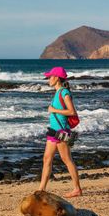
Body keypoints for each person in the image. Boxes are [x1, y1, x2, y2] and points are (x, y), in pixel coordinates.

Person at [38, 66, 82, 197]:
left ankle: (77, 189)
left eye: (50, 77)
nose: (48, 80)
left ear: (56, 78)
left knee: (67, 159)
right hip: (53, 132)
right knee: (46, 159)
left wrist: (53, 110)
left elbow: (72, 111)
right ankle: (41, 190)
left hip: (61, 132)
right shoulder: (57, 93)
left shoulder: (64, 93)